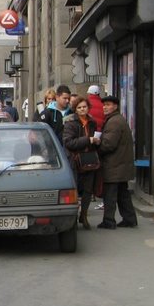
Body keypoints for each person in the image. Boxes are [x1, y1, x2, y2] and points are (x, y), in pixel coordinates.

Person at [97, 94, 138, 229]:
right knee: (122, 194)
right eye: (104, 105)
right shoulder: (118, 119)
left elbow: (108, 144)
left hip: (114, 165)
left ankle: (109, 221)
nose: (105, 107)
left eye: (108, 105)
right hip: (120, 165)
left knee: (110, 195)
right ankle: (129, 219)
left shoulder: (114, 121)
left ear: (115, 106)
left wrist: (97, 147)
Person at [63, 97, 100, 230]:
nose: (82, 109)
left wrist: (96, 141)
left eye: (84, 107)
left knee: (88, 190)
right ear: (75, 109)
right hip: (75, 160)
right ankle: (73, 216)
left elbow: (93, 139)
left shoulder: (92, 122)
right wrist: (88, 140)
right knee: (75, 189)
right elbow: (69, 142)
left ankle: (84, 215)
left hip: (89, 159)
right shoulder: (70, 123)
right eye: (79, 107)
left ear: (88, 107)